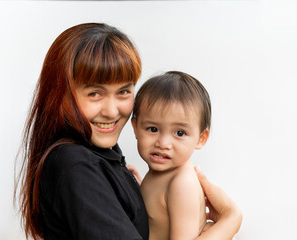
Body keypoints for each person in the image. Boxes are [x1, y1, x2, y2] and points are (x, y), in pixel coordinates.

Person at [15, 23, 242, 240]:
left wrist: (132, 196)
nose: (112, 111)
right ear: (61, 95)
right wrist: (230, 221)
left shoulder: (102, 153)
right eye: (95, 93)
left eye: (124, 91)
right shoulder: (76, 164)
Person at [131, 71, 212, 239]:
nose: (163, 143)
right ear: (135, 127)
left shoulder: (181, 184)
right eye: (153, 129)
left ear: (201, 138)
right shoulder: (162, 173)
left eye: (179, 133)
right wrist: (136, 190)